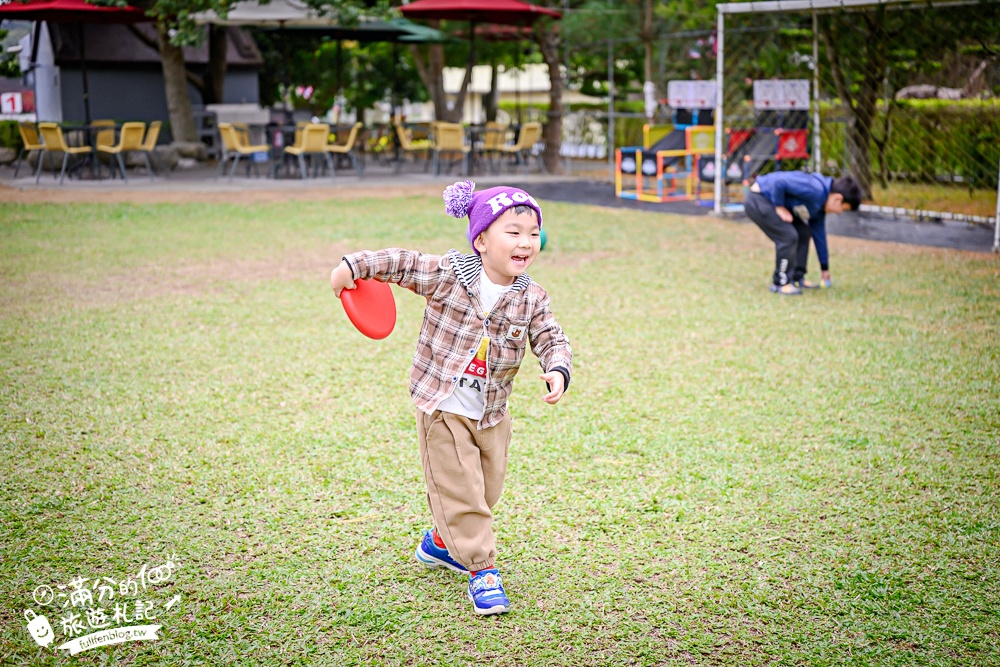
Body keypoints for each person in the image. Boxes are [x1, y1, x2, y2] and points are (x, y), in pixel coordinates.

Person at [329, 180, 572, 616]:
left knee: (485, 489)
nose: (526, 241)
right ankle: (483, 570)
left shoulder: (531, 297)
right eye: (513, 231)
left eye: (533, 232)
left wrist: (556, 368)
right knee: (462, 490)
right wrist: (354, 266)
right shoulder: (450, 275)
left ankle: (441, 541)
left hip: (492, 411)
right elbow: (401, 263)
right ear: (481, 239)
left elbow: (550, 336)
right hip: (443, 405)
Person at [744, 171, 862, 295]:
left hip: (768, 200)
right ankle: (781, 283)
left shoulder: (820, 206)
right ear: (838, 199)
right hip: (759, 198)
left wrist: (825, 268)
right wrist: (779, 206)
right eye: (843, 209)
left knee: (804, 232)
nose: (839, 213)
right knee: (788, 237)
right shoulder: (815, 189)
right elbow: (779, 183)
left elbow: (819, 236)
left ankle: (797, 278)